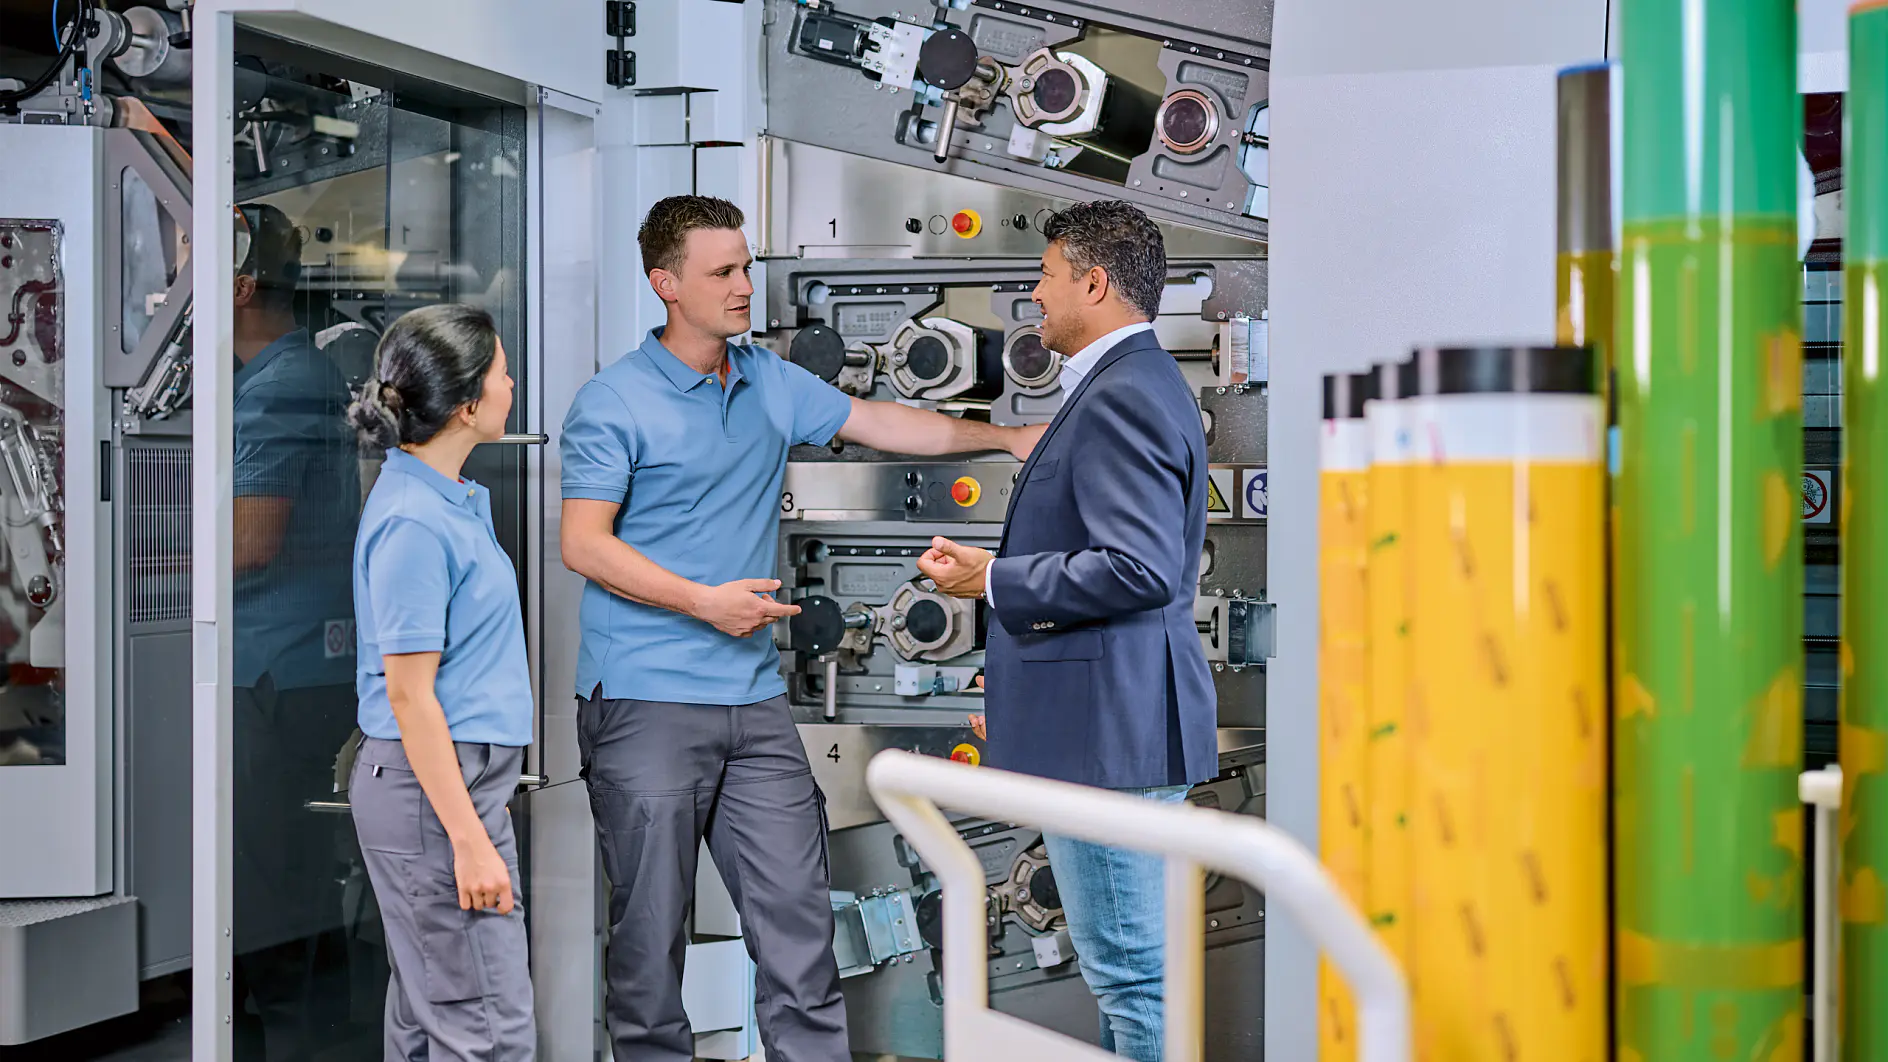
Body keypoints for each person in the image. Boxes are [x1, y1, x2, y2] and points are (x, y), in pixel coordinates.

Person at [559, 194, 1044, 1062]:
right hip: (644, 704)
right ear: (666, 284)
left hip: (753, 707)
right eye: (723, 273)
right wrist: (702, 601)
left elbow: (884, 422)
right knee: (647, 948)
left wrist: (1003, 439)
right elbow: (582, 544)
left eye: (746, 265)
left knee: (799, 940)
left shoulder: (766, 379)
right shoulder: (613, 403)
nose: (746, 286)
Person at [917, 199, 1217, 1062]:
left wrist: (993, 579)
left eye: (1048, 276)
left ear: (1094, 283)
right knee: (1134, 974)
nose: (1035, 294)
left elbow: (1140, 568)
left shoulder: (1122, 396)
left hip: (1108, 743)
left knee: (1132, 978)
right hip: (1098, 728)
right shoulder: (1130, 387)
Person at [346, 304, 536, 1059]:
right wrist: (468, 841)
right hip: (436, 798)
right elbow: (408, 694)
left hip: (450, 790)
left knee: (431, 1028)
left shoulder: (444, 500)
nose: (512, 383)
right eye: (500, 373)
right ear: (465, 405)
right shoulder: (414, 523)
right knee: (487, 1031)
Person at [226, 202, 365, 1060]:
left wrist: (123, 562)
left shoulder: (280, 385)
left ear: (240, 286)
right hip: (293, 668)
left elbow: (249, 542)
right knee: (290, 886)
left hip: (279, 674)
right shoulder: (278, 377)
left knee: (273, 894)